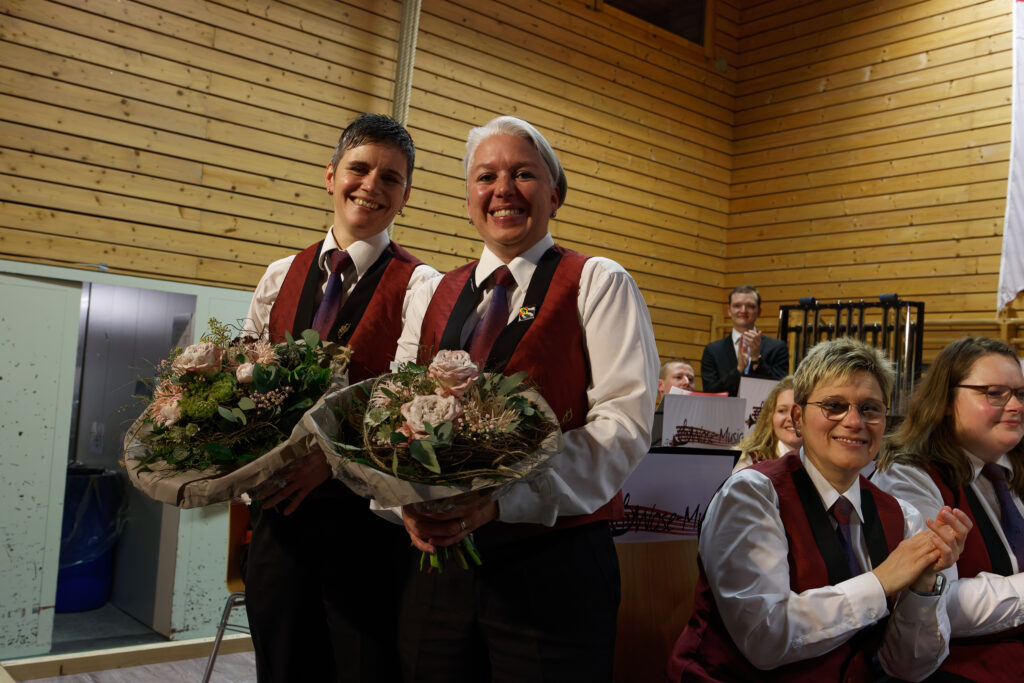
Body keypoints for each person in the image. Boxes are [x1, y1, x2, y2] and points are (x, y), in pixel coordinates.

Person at [392, 115, 659, 682]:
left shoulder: (597, 281)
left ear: (555, 194)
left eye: (523, 174)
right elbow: (392, 412)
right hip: (439, 565)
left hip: (553, 566)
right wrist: (403, 503)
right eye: (486, 176)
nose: (503, 189)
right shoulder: (435, 290)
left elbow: (624, 425)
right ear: (469, 198)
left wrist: (501, 502)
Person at [242, 114, 438, 683]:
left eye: (391, 178)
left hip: (365, 526)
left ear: (405, 196)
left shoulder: (422, 284)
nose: (371, 185)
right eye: (359, 168)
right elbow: (246, 378)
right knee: (280, 666)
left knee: (364, 668)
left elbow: (406, 397)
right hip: (278, 515)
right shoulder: (280, 274)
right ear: (330, 176)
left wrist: (326, 461)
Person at [668, 337, 972, 682]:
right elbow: (765, 640)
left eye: (870, 408)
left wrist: (923, 585)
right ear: (798, 417)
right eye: (834, 406)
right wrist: (882, 581)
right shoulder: (751, 495)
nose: (854, 421)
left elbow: (910, 667)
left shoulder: (903, 516)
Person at [874, 336, 1024, 681]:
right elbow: (939, 605)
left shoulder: (1010, 469)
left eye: (1020, 393)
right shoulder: (909, 476)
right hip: (956, 669)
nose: (1015, 405)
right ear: (945, 400)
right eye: (995, 393)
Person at [701, 285, 788, 396]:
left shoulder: (777, 347)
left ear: (759, 311)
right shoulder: (713, 350)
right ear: (729, 311)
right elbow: (710, 392)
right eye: (737, 306)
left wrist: (757, 359)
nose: (743, 310)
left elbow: (780, 389)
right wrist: (738, 370)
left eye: (750, 306)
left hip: (762, 411)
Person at [733, 376, 801, 473]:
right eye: (782, 410)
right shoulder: (749, 461)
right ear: (770, 416)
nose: (791, 418)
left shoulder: (824, 462)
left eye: (799, 411)